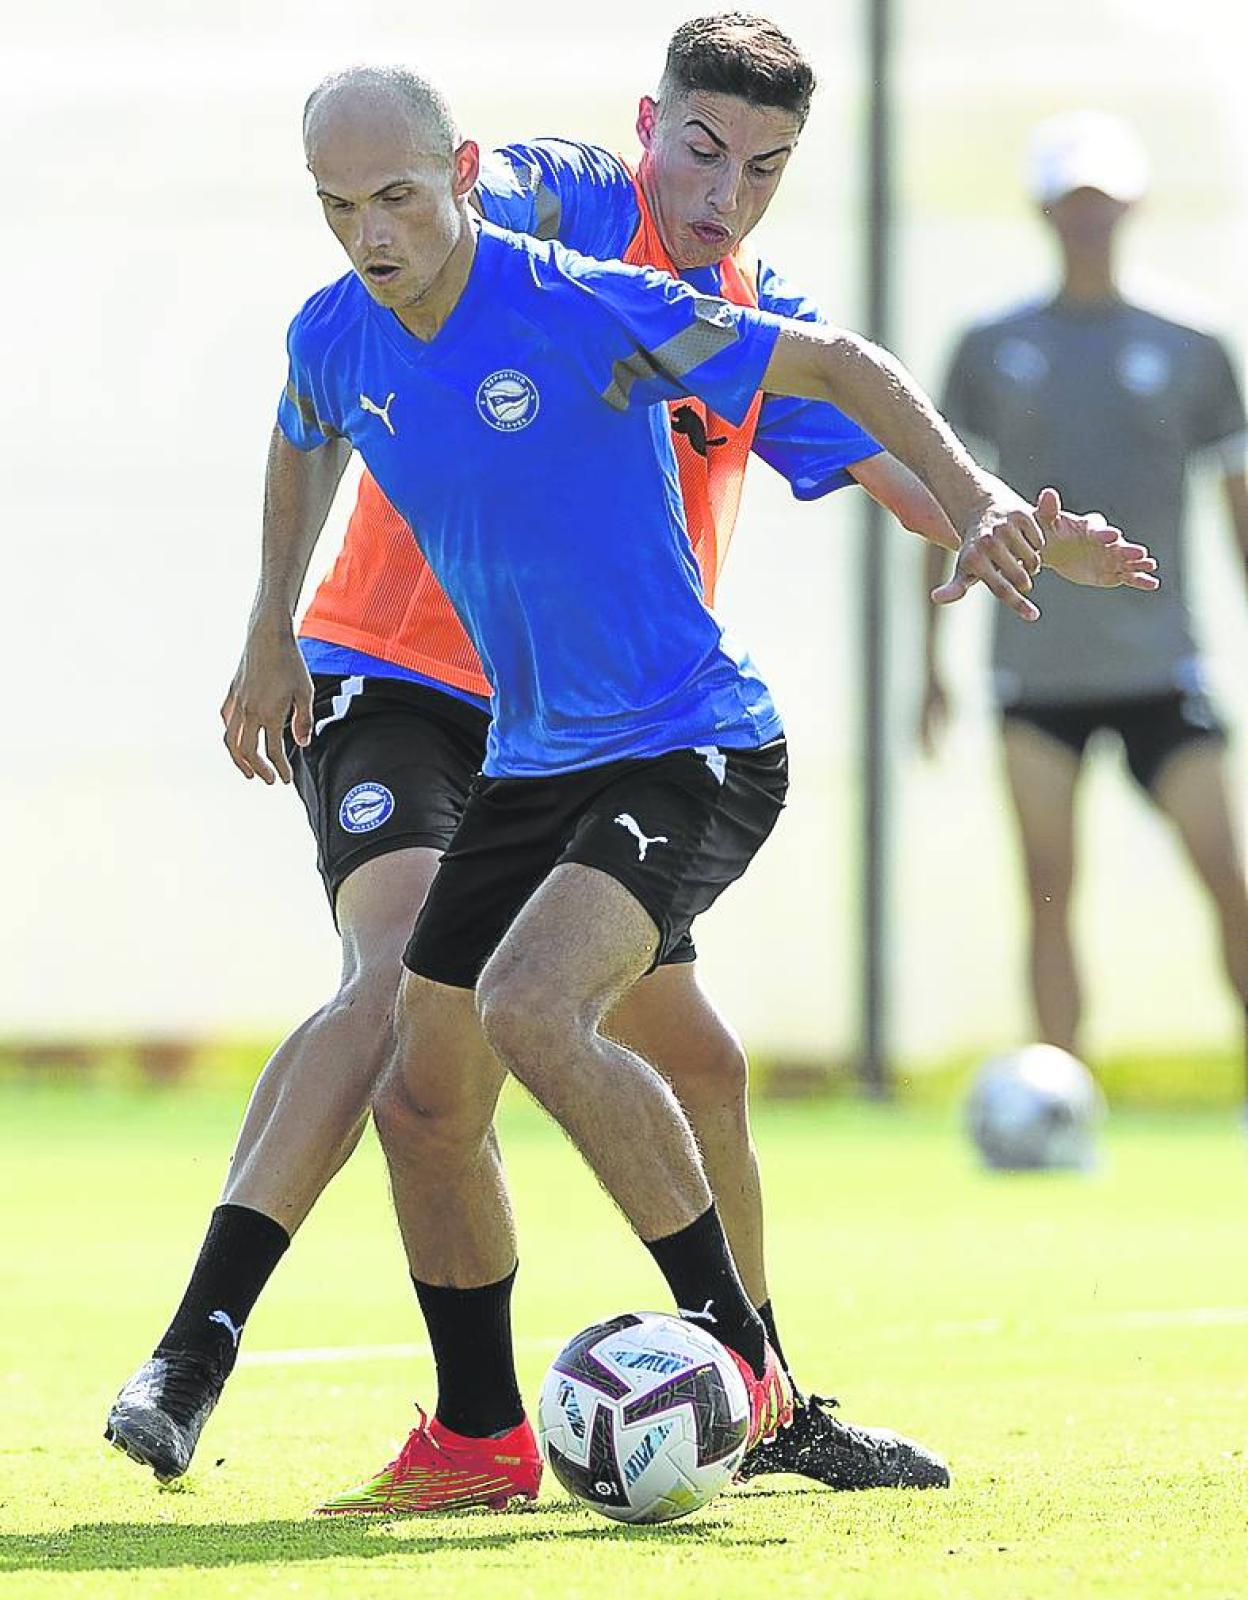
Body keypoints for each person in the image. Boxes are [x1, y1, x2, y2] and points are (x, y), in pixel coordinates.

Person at [104, 43, 1150, 1507]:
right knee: (410, 991)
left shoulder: (738, 313)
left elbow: (870, 442)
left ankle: (757, 1398)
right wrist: (268, 627)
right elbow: (419, 236)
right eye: (702, 151)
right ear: (649, 128)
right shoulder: (557, 212)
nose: (725, 194)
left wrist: (996, 518)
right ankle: (215, 1355)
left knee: (693, 1061)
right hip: (401, 673)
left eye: (764, 169)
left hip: (597, 735)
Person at [921, 111, 1248, 1089]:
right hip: (1035, 668)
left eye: (1103, 203)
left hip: (1161, 665)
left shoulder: (1191, 345)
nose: (1089, 222)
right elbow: (946, 507)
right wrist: (927, 665)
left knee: (1228, 881)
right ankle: (1056, 1100)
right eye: (1072, 205)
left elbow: (1237, 510)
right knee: (1050, 893)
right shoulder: (990, 345)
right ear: (1044, 212)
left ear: (1133, 206)